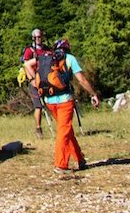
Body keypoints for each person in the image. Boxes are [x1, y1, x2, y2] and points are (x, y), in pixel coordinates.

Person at [25, 37, 100, 174]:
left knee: (66, 129)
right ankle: (60, 165)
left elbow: (27, 64)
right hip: (65, 100)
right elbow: (82, 80)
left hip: (49, 100)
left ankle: (80, 159)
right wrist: (93, 94)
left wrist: (32, 80)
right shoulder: (70, 58)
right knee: (63, 131)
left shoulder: (46, 57)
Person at [21, 28, 50, 138]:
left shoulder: (47, 49)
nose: (39, 39)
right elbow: (26, 66)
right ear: (33, 38)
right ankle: (38, 128)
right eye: (37, 37)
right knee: (38, 106)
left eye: (40, 36)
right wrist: (32, 80)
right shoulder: (29, 51)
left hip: (47, 80)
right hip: (34, 81)